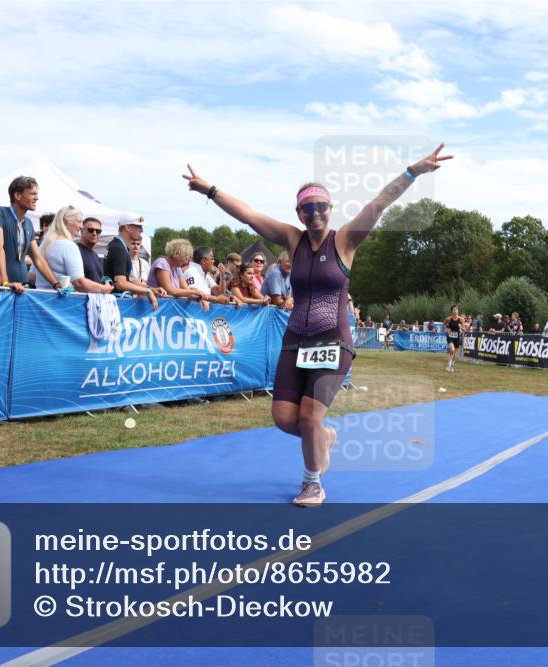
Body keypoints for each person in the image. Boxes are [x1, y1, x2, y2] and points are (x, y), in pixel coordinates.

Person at [183, 142, 452, 507]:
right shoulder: (292, 240)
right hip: (295, 341)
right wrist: (209, 190)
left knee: (309, 415)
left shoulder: (345, 241)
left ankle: (312, 481)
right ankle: (323, 437)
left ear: (330, 209)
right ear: (299, 211)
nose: (315, 213)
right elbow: (247, 215)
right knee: (283, 417)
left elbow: (378, 204)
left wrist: (413, 172)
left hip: (333, 342)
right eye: (307, 208)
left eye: (321, 207)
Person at [0, 176, 61, 294]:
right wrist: (5, 282)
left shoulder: (28, 223)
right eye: (32, 194)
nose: (36, 198)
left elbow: (37, 259)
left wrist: (56, 284)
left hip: (22, 288)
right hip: (3, 288)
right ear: (18, 196)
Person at [37, 206, 112, 294]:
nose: (81, 226)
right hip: (61, 302)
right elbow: (79, 283)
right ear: (66, 222)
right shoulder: (68, 245)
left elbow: (32, 277)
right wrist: (104, 288)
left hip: (40, 298)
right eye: (79, 222)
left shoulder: (43, 244)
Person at [103, 219, 164, 309]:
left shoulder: (120, 245)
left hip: (117, 302)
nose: (142, 230)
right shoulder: (119, 248)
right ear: (127, 227)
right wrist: (147, 291)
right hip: (117, 303)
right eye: (139, 227)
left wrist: (151, 289)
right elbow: (121, 283)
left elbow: (130, 278)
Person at [148, 238, 208, 308]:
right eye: (186, 257)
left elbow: (186, 290)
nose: (187, 260)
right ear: (177, 254)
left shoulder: (177, 268)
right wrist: (195, 292)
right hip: (153, 306)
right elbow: (170, 291)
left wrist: (199, 298)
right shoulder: (162, 263)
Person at [77, 217, 105, 283]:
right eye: (90, 230)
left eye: (98, 231)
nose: (94, 233)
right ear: (81, 231)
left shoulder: (95, 255)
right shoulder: (76, 251)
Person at [443, 304, 465, 373]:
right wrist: (446, 329)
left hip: (457, 337)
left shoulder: (461, 319)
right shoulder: (448, 318)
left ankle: (452, 366)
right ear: (452, 311)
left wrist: (461, 327)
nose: (455, 311)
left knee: (454, 354)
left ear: (458, 311)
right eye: (454, 309)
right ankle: (448, 365)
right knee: (452, 350)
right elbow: (444, 324)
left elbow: (464, 329)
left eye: (456, 309)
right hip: (450, 336)